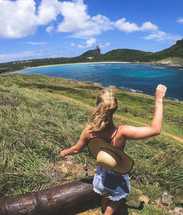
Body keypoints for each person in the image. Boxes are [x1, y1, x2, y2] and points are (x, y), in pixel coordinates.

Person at [60, 84, 167, 215]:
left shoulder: (88, 132)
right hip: (116, 175)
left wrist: (65, 152)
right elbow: (155, 130)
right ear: (115, 108)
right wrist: (159, 100)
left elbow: (76, 149)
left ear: (96, 106)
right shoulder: (121, 132)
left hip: (100, 174)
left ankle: (104, 209)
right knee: (117, 198)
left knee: (105, 193)